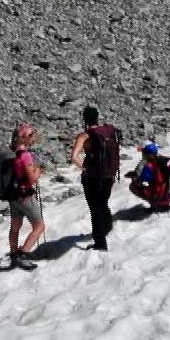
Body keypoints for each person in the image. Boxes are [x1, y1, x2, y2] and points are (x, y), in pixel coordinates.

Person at [71, 106, 122, 251]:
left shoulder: (85, 135)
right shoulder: (108, 131)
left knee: (95, 208)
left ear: (85, 119)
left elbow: (74, 157)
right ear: (97, 117)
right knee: (103, 202)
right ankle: (107, 226)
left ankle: (100, 243)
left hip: (92, 176)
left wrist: (85, 168)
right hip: (109, 174)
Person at [5, 123, 45, 271]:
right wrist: (38, 171)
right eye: (31, 135)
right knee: (39, 226)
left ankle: (14, 253)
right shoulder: (25, 155)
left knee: (15, 226)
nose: (33, 138)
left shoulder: (11, 152)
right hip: (25, 196)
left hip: (13, 195)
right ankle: (24, 254)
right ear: (24, 138)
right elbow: (31, 180)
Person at [128, 142, 170, 212]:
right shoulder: (168, 161)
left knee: (133, 186)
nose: (143, 155)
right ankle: (165, 204)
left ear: (150, 155)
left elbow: (140, 181)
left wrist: (133, 179)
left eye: (144, 153)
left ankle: (156, 205)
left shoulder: (149, 166)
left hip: (159, 196)